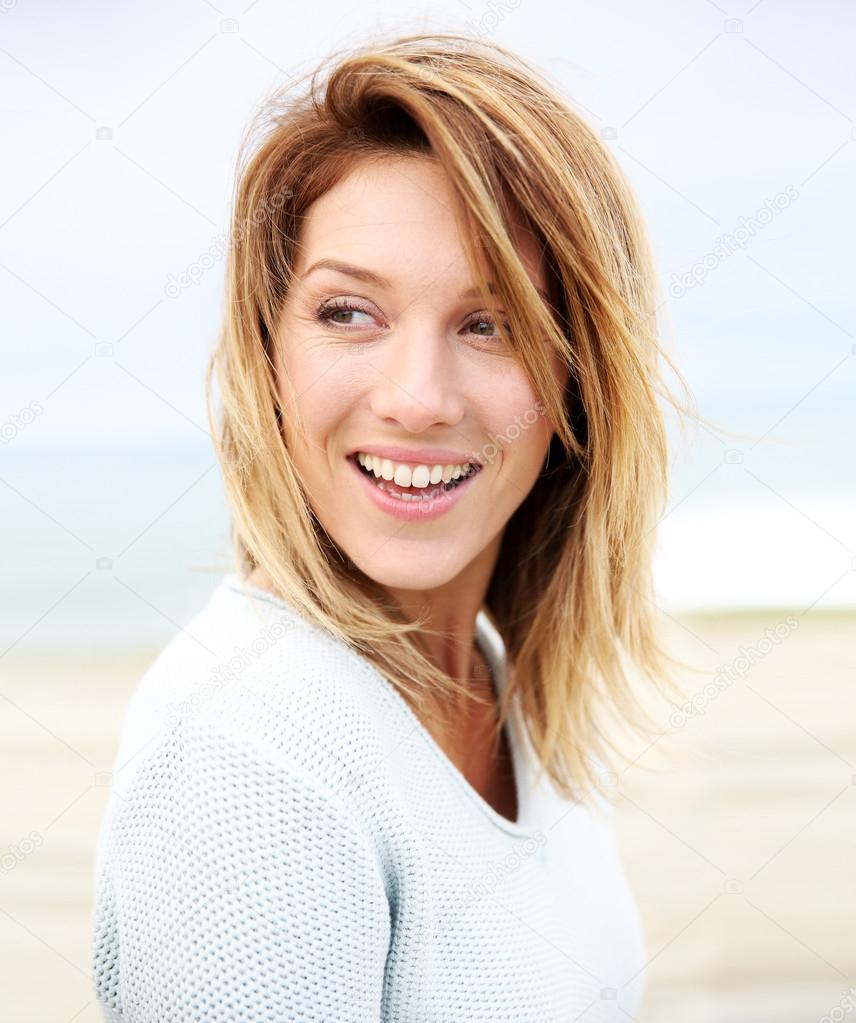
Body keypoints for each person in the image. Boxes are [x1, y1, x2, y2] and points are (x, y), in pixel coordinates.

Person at [91, 30, 693, 1022]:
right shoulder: (250, 757)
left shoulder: (502, 677)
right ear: (268, 354)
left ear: (578, 385)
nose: (417, 400)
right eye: (347, 314)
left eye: (488, 324)